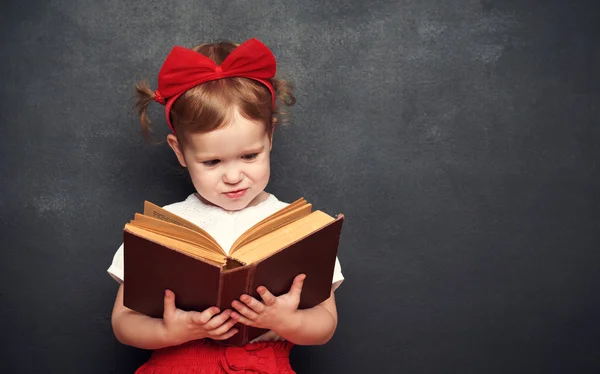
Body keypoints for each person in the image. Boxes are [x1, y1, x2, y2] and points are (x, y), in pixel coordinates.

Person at [107, 38, 344, 373]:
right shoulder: (162, 228)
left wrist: (284, 320)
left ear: (270, 137)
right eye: (212, 162)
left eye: (250, 155)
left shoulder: (297, 227)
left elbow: (325, 324)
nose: (234, 176)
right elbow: (123, 323)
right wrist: (170, 331)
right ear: (180, 152)